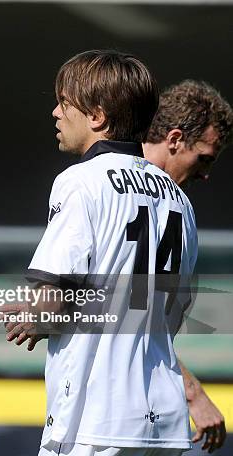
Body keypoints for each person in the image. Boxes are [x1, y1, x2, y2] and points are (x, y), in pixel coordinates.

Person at [3, 50, 196, 455]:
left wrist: (38, 319)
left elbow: (52, 298)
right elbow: (171, 311)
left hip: (96, 417)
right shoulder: (179, 198)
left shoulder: (80, 181)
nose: (55, 112)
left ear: (96, 116)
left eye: (64, 102)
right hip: (163, 419)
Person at [143, 79, 233, 453]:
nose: (206, 173)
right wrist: (193, 392)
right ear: (175, 139)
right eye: (205, 157)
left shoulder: (178, 207)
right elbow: (124, 313)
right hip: (113, 415)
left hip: (133, 408)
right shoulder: (110, 190)